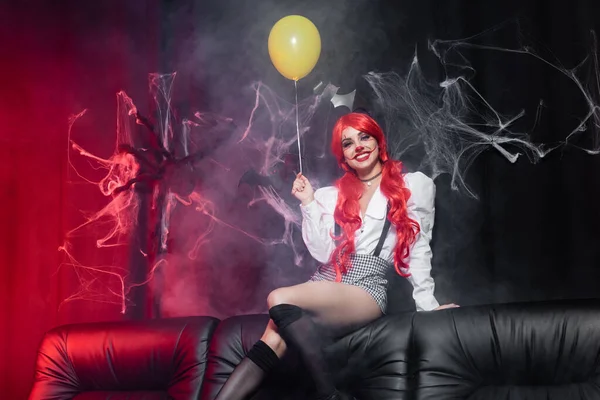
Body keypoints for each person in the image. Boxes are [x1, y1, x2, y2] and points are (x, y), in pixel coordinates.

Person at [215, 111, 458, 400]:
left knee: (278, 299)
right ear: (342, 156)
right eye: (348, 143)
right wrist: (308, 203)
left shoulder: (412, 186)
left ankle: (331, 393)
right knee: (272, 339)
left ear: (379, 142)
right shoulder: (333, 195)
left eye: (365, 137)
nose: (358, 145)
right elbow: (322, 253)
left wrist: (428, 307)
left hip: (366, 286)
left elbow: (418, 248)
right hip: (328, 278)